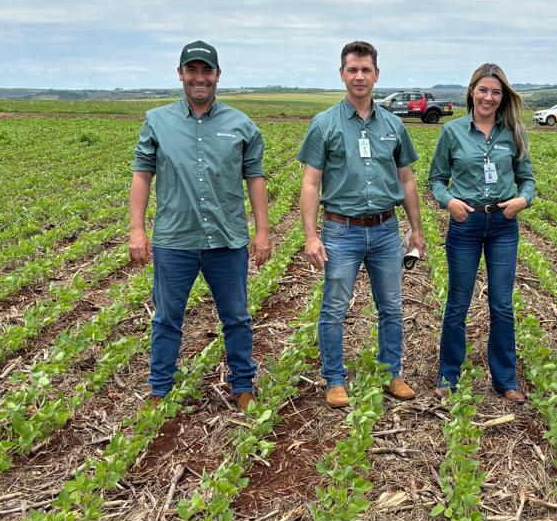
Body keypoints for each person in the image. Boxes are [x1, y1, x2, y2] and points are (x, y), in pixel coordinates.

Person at [130, 40, 272, 411]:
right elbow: (142, 175)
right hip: (174, 240)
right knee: (166, 318)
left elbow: (255, 177)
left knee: (237, 317)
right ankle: (160, 390)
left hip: (227, 240)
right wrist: (137, 229)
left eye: (206, 71)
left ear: (217, 76)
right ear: (180, 74)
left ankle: (242, 385)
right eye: (191, 70)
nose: (199, 78)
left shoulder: (241, 125)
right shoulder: (157, 121)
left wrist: (262, 231)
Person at [298, 40, 427, 408]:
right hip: (341, 230)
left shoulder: (392, 125)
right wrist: (311, 235)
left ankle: (392, 374)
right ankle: (334, 379)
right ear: (342, 74)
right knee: (334, 308)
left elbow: (406, 180)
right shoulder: (324, 124)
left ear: (376, 75)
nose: (359, 76)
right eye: (352, 70)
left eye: (365, 70)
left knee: (391, 307)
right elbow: (310, 183)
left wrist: (415, 229)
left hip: (386, 230)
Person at [429, 63, 536, 403]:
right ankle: (449, 375)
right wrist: (450, 203)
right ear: (472, 92)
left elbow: (528, 179)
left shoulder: (514, 132)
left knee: (502, 304)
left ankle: (505, 379)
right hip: (466, 223)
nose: (488, 97)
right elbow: (435, 179)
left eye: (496, 92)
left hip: (504, 224)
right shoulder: (453, 132)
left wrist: (523, 200)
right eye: (483, 90)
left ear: (503, 97)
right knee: (458, 303)